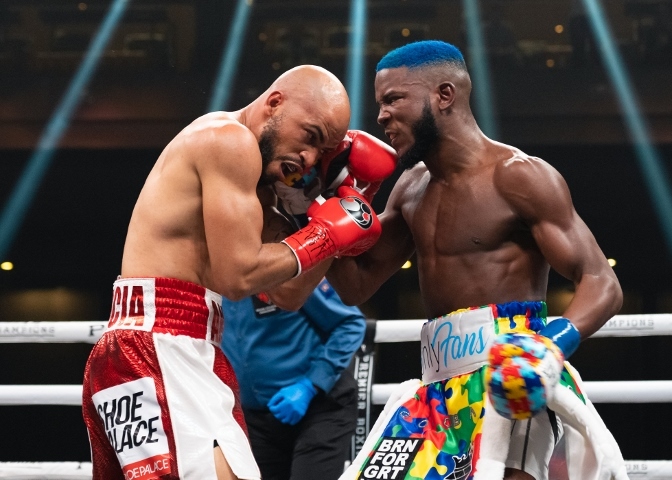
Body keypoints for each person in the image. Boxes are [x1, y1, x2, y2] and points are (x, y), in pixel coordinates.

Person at [326, 41, 627, 480]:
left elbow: (601, 282)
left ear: (444, 95)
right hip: (436, 389)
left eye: (394, 99)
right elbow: (356, 284)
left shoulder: (518, 176)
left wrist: (550, 346)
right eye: (380, 104)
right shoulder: (410, 187)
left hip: (511, 380)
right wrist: (317, 207)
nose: (381, 116)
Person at [81, 65, 385, 480]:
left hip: (174, 345)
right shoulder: (229, 140)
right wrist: (326, 235)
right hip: (160, 346)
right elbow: (237, 278)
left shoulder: (259, 187)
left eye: (324, 151)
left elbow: (287, 294)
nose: (311, 158)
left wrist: (336, 208)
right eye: (310, 136)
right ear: (275, 102)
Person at [221, 279, 366, 480]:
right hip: (255, 419)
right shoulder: (210, 283)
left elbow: (350, 324)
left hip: (320, 407)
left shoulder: (286, 272)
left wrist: (310, 385)